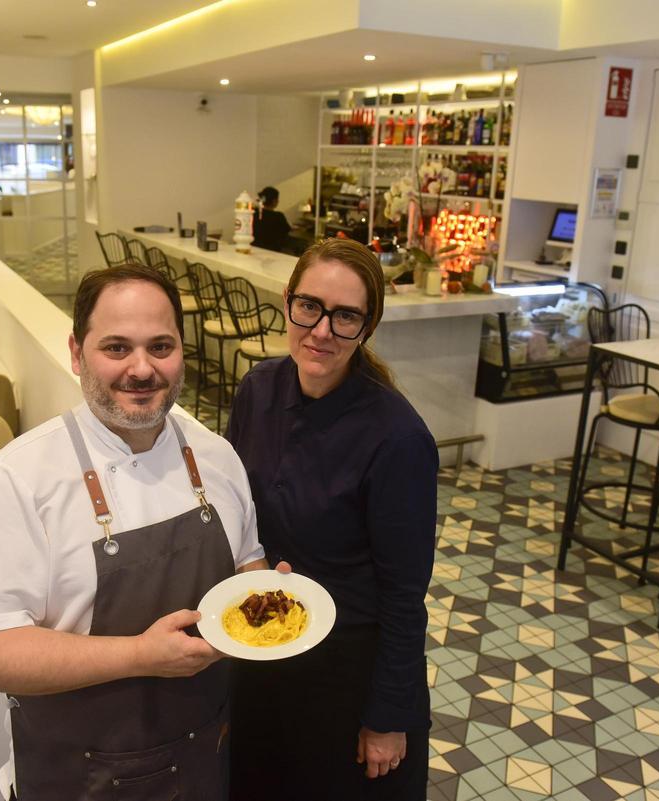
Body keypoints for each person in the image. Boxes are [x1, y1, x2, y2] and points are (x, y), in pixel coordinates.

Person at [0, 263, 267, 800]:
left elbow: (246, 564)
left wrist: (266, 598)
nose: (142, 369)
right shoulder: (18, 478)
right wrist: (140, 655)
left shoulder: (217, 456)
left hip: (204, 761)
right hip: (78, 780)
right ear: (76, 352)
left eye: (161, 347)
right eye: (116, 348)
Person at [226, 238, 438, 801]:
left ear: (367, 328)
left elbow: (403, 593)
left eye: (345, 316)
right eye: (310, 307)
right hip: (265, 647)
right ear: (288, 301)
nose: (321, 331)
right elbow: (232, 507)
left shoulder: (398, 439)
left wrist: (390, 716)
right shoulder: (257, 390)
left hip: (348, 671)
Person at [251, 185, 291, 253]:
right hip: (272, 252)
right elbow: (286, 231)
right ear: (274, 201)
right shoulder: (278, 217)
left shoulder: (253, 213)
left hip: (254, 249)